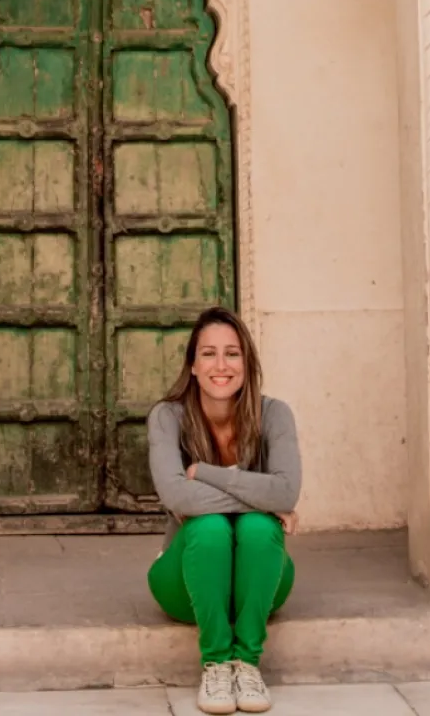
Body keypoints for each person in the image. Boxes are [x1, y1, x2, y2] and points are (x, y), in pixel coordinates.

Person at [147, 306, 301, 715]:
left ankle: (247, 664)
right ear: (193, 365)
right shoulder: (167, 417)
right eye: (208, 353)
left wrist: (206, 474)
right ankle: (216, 664)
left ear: (247, 363)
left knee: (257, 530)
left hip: (262, 582)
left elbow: (288, 490)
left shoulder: (275, 414)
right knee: (210, 529)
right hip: (184, 582)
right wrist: (268, 499)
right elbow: (177, 497)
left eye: (232, 353)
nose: (221, 365)